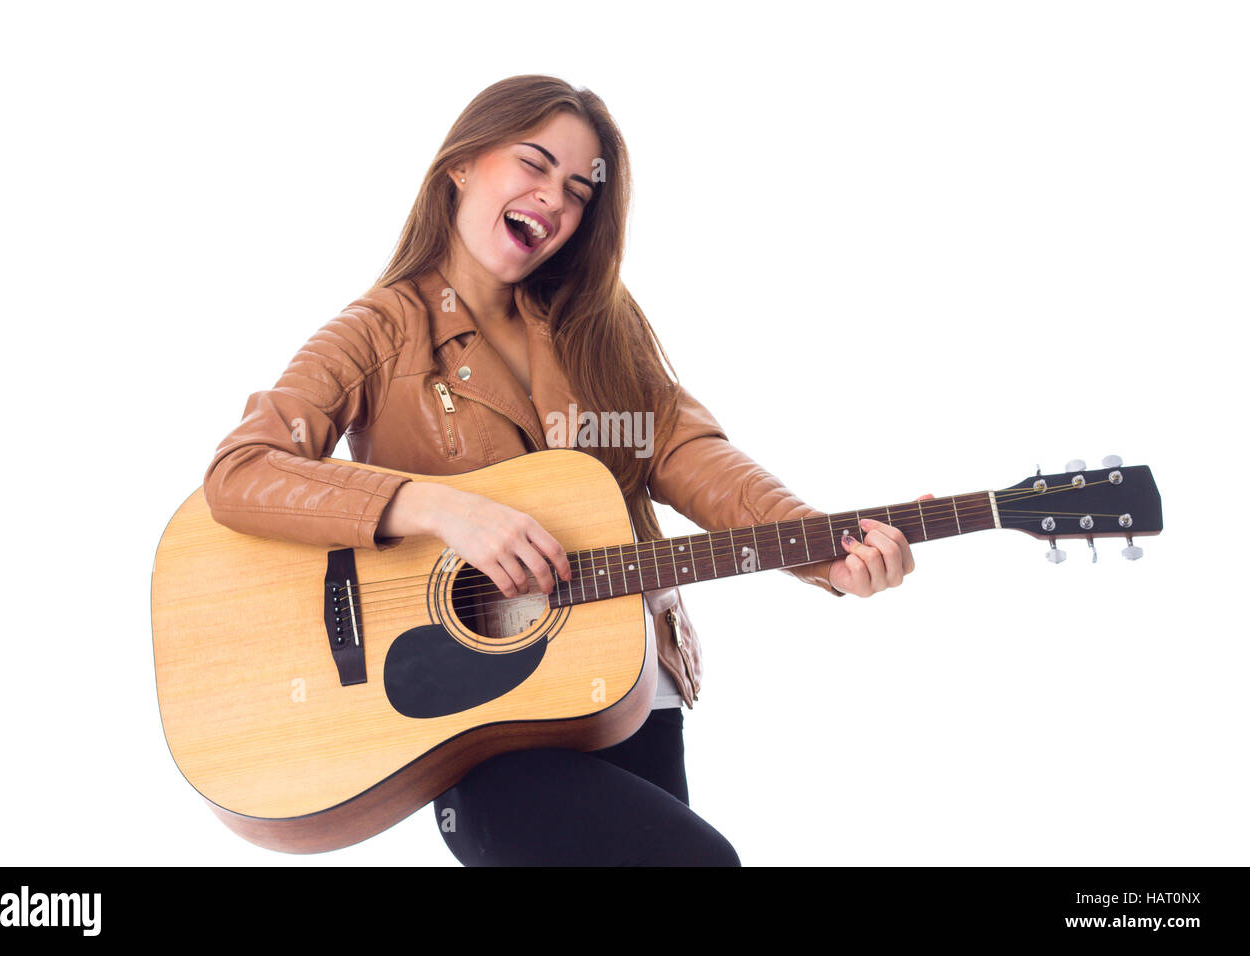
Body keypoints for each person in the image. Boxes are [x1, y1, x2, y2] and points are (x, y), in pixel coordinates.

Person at [203, 75, 926, 866]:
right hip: (483, 724)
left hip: (631, 692)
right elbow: (244, 469)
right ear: (462, 165)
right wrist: (436, 508)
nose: (555, 199)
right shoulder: (377, 333)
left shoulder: (597, 327)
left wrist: (819, 550)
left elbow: (683, 451)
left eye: (580, 190)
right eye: (535, 164)